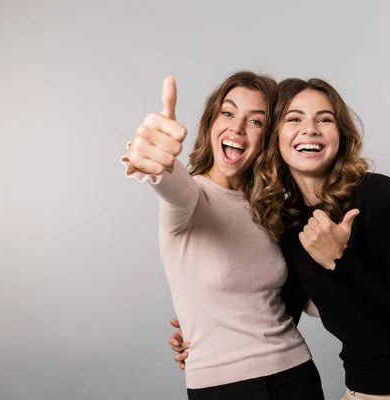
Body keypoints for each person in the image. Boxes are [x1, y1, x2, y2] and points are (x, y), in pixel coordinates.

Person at [168, 77, 390, 399]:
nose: (311, 129)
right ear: (273, 137)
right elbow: (280, 307)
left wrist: (337, 260)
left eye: (325, 119)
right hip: (362, 390)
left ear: (341, 135)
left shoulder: (376, 193)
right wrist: (204, 332)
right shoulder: (287, 221)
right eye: (294, 119)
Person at [122, 72, 325, 399]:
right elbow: (170, 181)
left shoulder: (272, 209)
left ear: (268, 137)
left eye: (255, 121)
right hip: (222, 388)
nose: (237, 128)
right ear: (210, 122)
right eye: (228, 113)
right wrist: (155, 158)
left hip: (295, 373)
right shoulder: (192, 198)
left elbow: (318, 301)